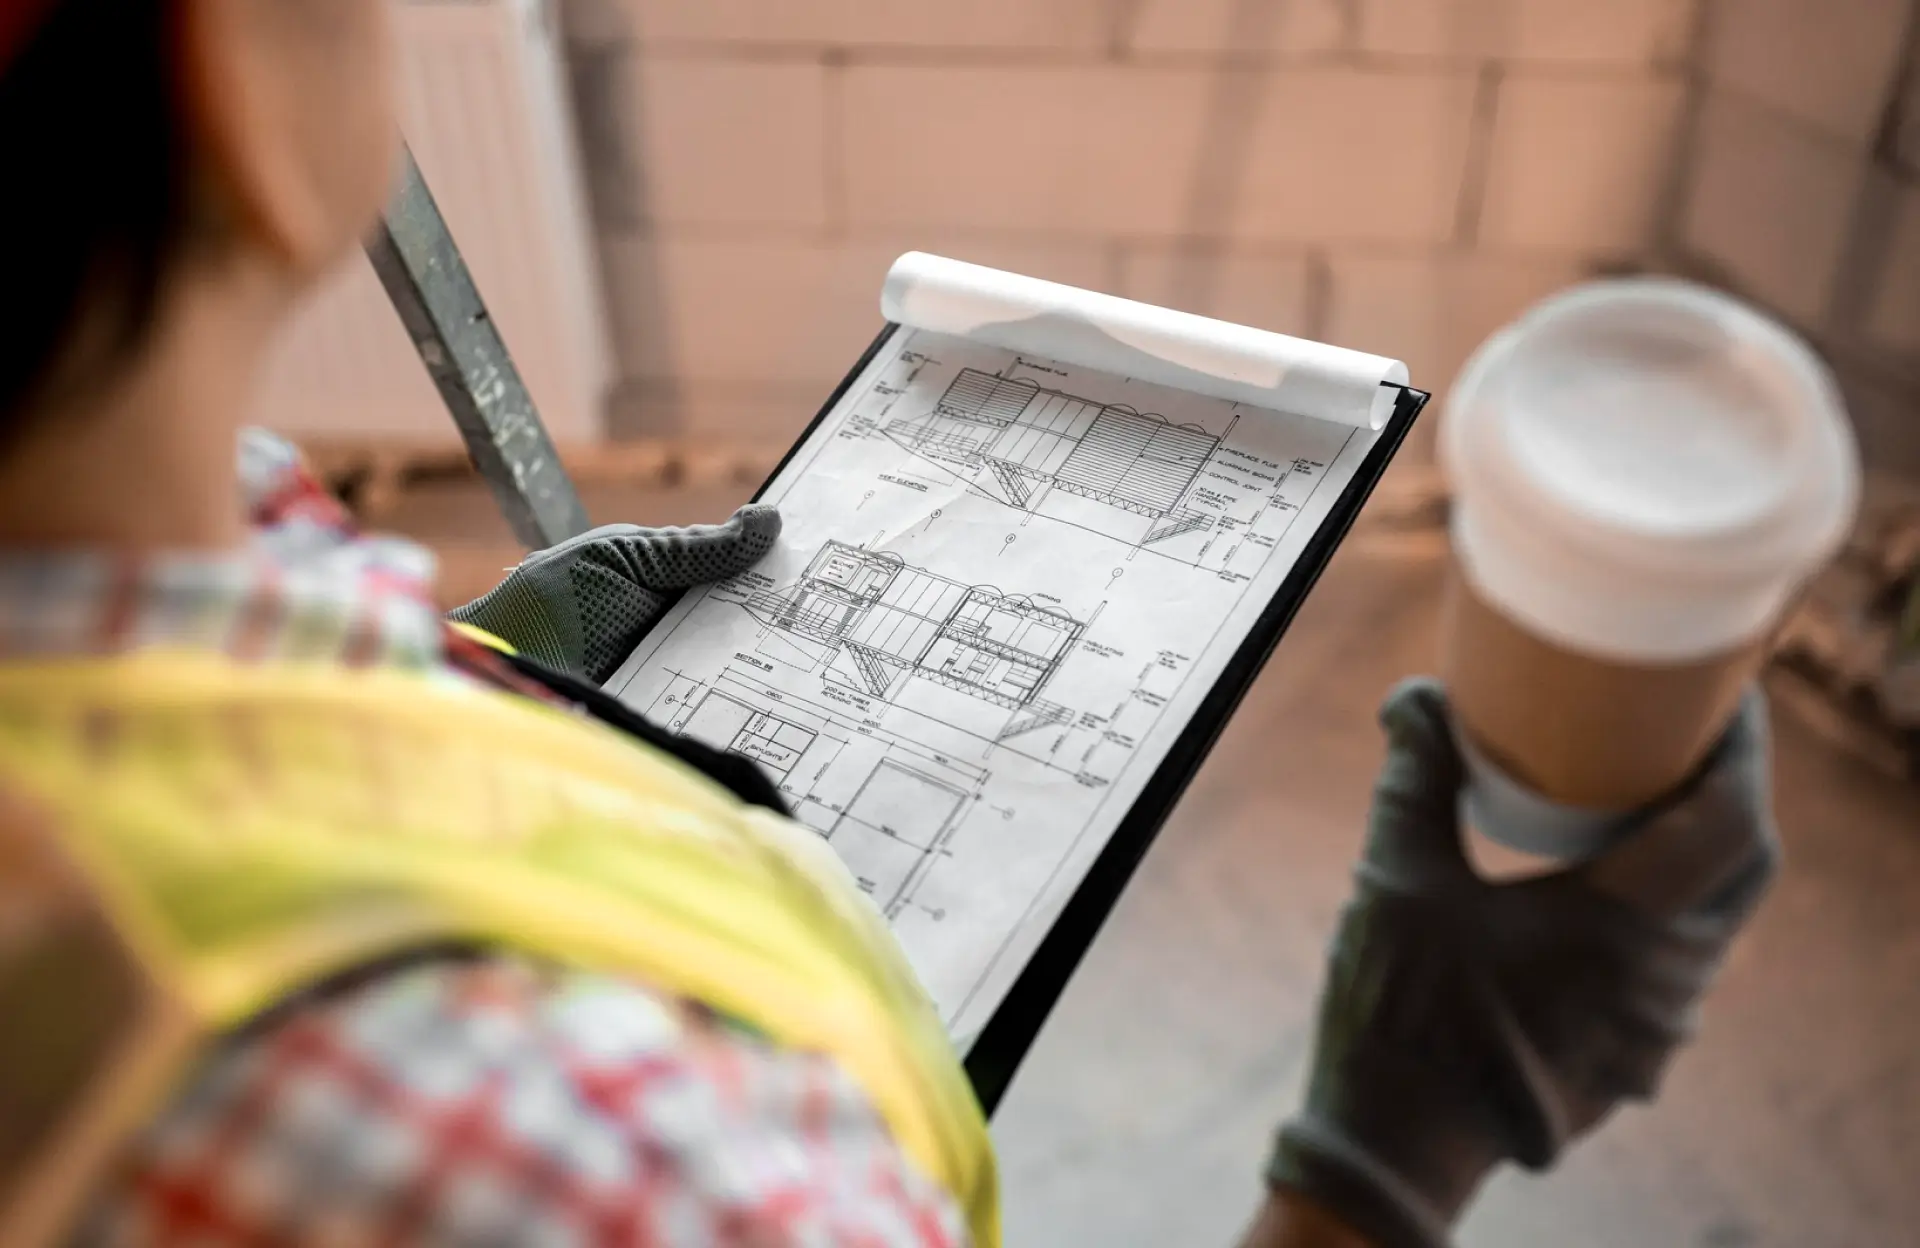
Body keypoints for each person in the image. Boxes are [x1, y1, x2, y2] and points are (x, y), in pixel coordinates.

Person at [0, 2, 1780, 1246]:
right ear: (216, 64)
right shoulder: (593, 1184)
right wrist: (1387, 1156)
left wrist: (487, 677)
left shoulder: (190, 530)